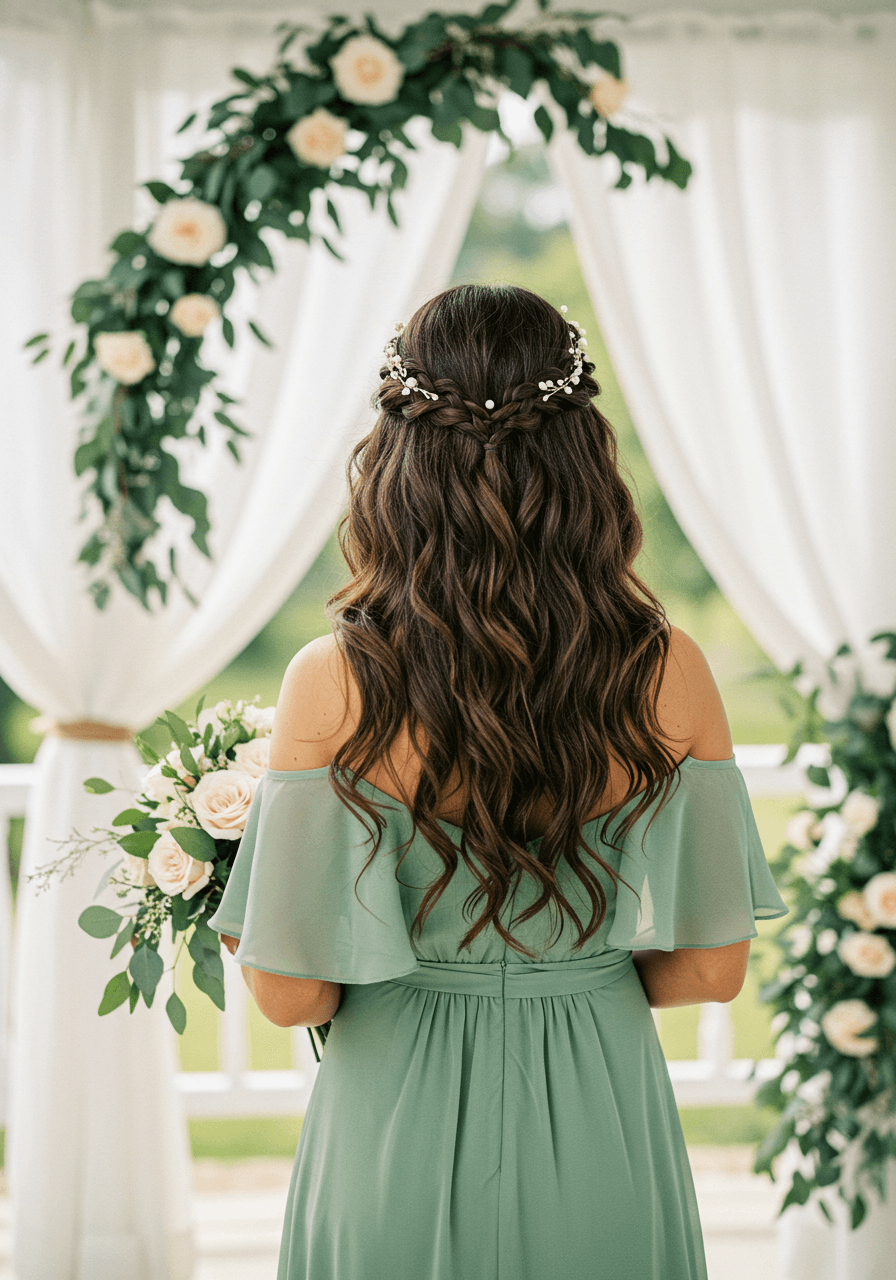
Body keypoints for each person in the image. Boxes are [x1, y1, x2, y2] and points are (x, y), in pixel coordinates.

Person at [209, 283, 788, 1280]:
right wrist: (568, 972)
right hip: (599, 1098)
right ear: (583, 458)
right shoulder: (671, 668)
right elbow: (709, 971)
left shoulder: (332, 678)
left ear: (392, 461)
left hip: (391, 1115)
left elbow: (291, 993)